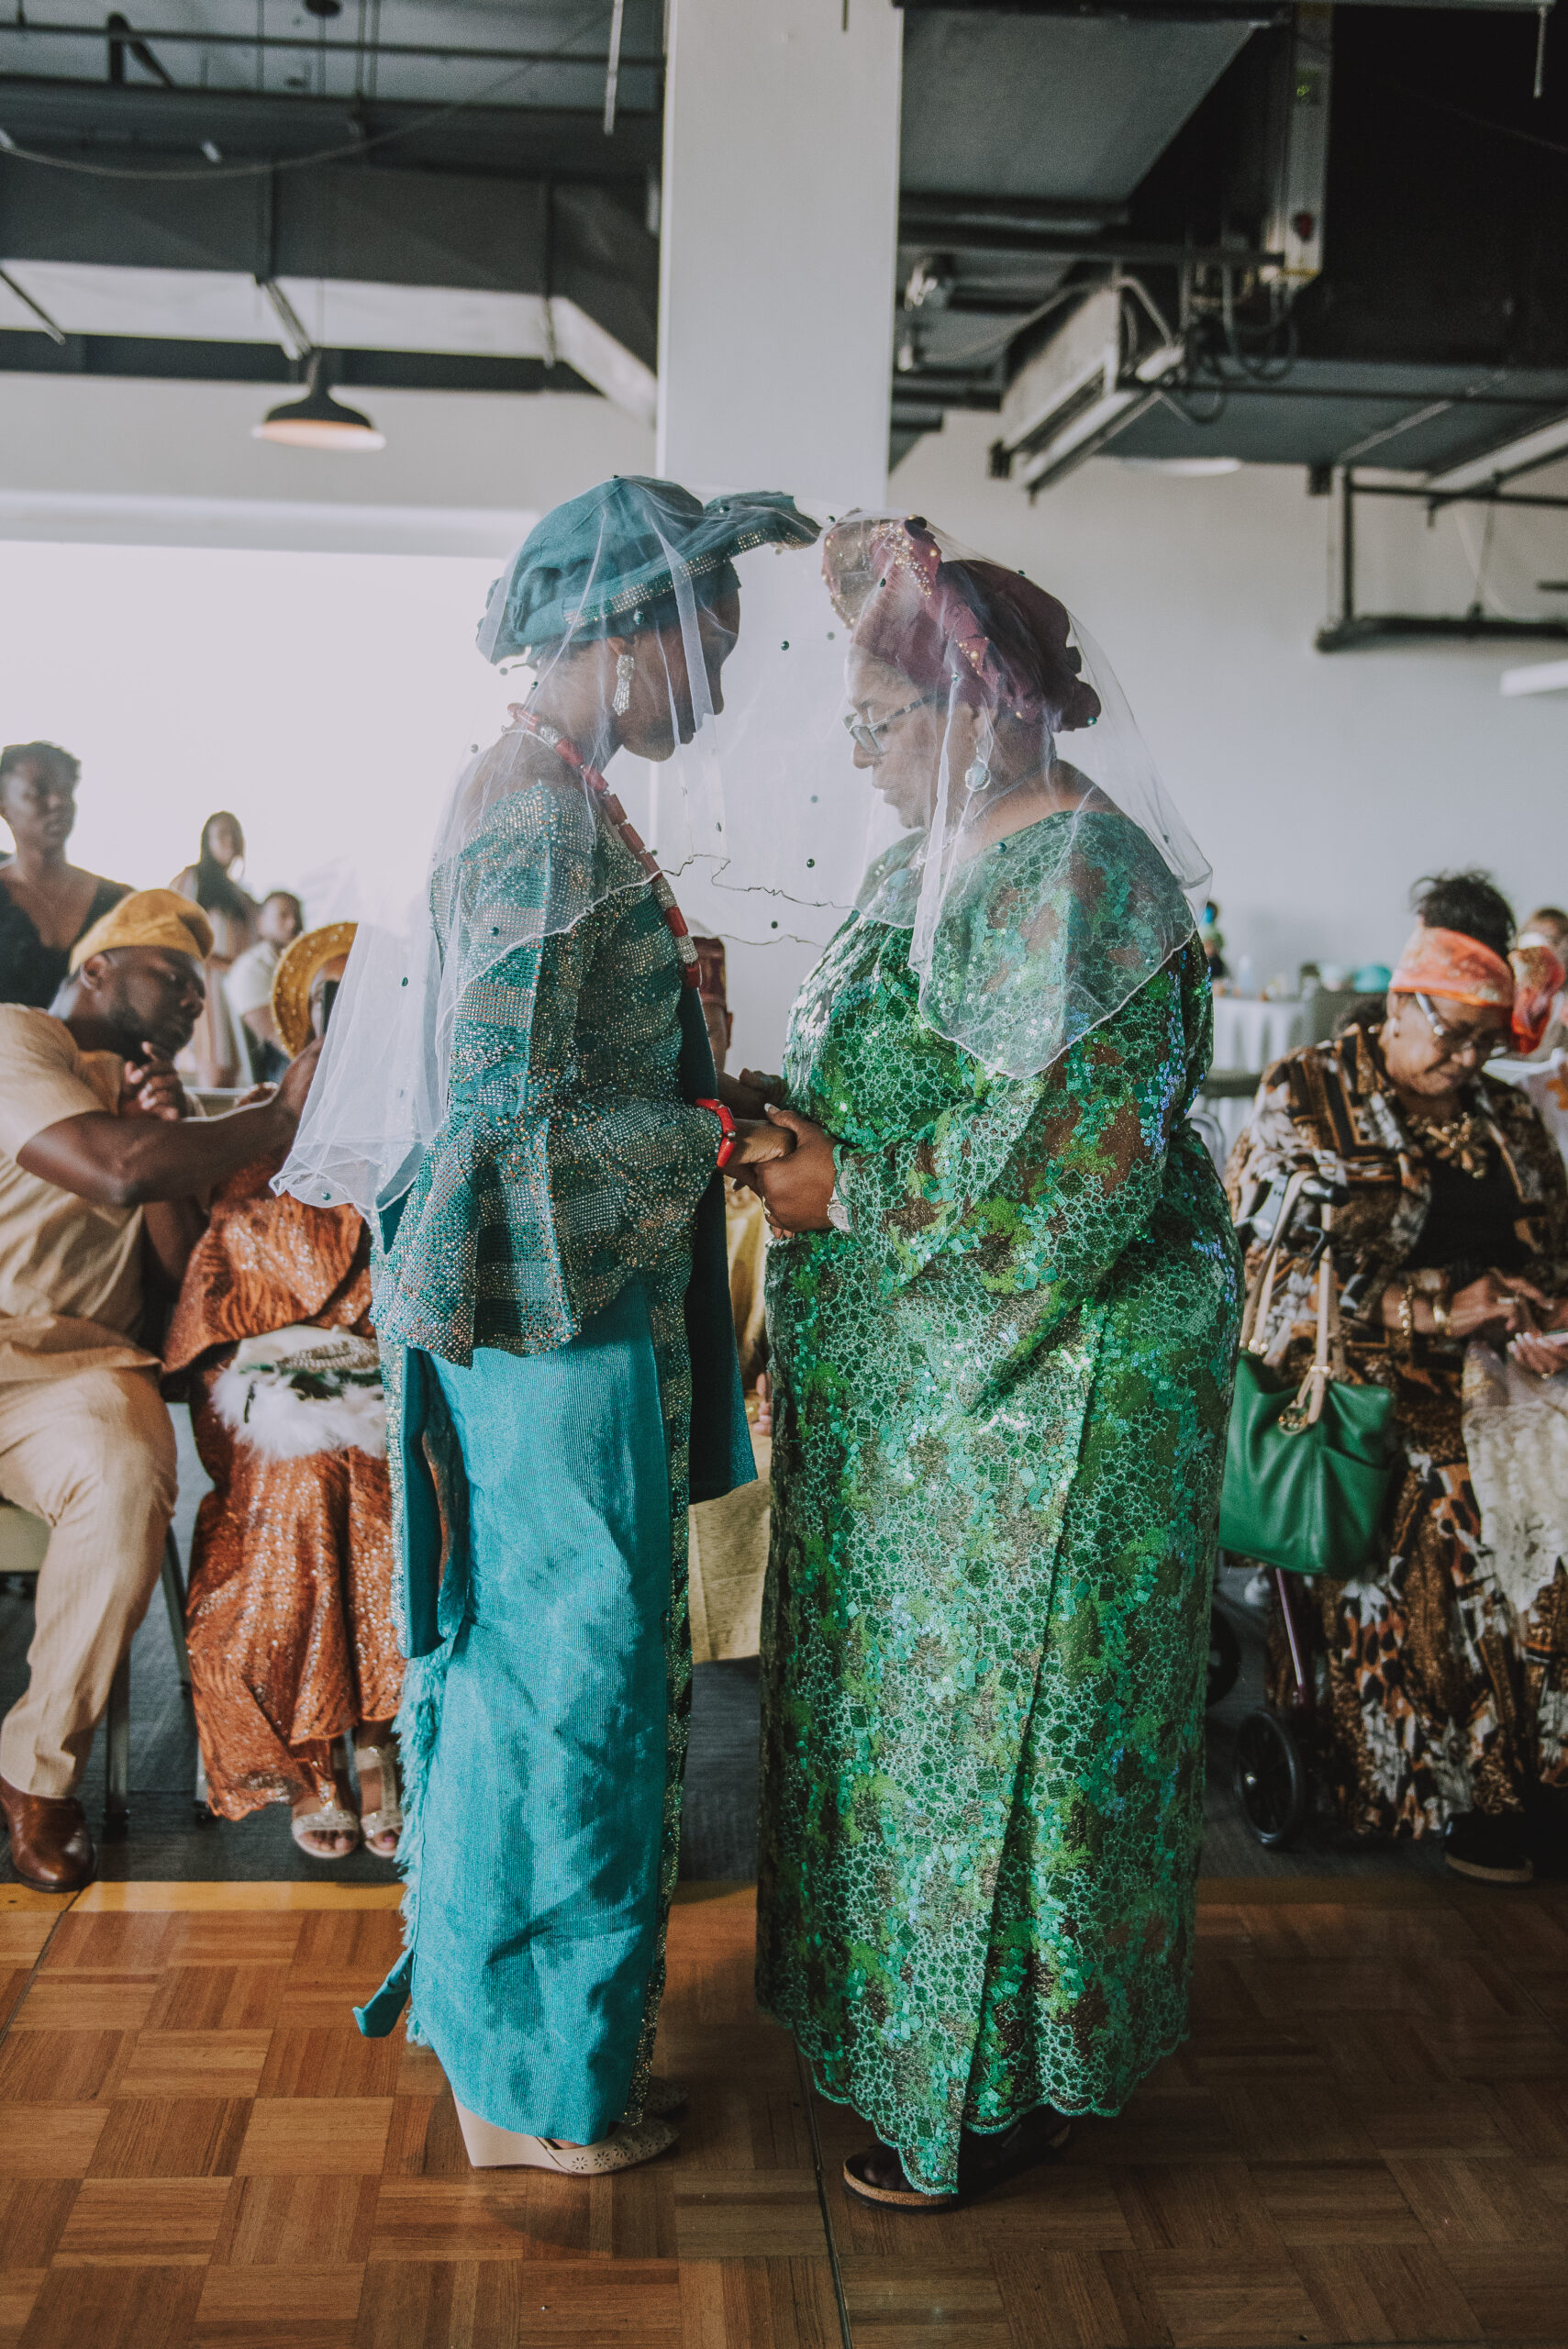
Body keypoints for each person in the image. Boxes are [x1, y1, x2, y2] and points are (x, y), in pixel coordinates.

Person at [278, 477, 818, 2174]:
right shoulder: (534, 816)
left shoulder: (543, 791)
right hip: (547, 1325)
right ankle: (544, 2090)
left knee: (538, 1677)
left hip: (556, 1307)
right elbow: (506, 1121)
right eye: (701, 648)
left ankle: (516, 2043)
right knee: (568, 1685)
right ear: (613, 629)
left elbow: (544, 1079)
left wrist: (695, 1081)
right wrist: (711, 1136)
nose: (711, 692)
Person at [746, 514, 1241, 2210]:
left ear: (981, 708)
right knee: (903, 1731)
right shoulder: (918, 863)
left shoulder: (1085, 879)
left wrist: (847, 1184)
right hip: (921, 1391)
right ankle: (894, 2036)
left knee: (1007, 1737)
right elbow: (873, 1065)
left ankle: (990, 2086)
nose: (865, 759)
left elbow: (1076, 1171)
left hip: (1045, 1391)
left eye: (881, 727)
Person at [1226, 871, 1568, 1885]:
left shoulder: (1503, 1120)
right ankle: (1466, 1788)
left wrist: (1541, 1314)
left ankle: (1546, 1762)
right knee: (1456, 1489)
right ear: (1400, 1002)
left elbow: (1549, 1246)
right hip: (1353, 1370)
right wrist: (1430, 1309)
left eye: (1485, 1041)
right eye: (1451, 1036)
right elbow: (1261, 1282)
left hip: (1499, 1365)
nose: (1468, 1062)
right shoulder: (1306, 1094)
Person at [0, 889, 319, 1889]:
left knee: (131, 1472)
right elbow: (112, 1170)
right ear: (96, 968)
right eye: (172, 977)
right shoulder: (16, 1040)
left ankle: (36, 1779)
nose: (191, 1001)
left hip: (73, 1372)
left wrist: (184, 1148)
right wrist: (274, 1110)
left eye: (201, 987)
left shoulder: (156, 1107)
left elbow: (181, 1281)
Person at [165, 922, 401, 1860]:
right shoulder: (259, 1129)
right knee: (302, 1482)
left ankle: (381, 1731)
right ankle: (311, 1751)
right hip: (268, 1384)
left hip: (395, 1373)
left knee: (385, 1475)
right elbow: (215, 1290)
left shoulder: (420, 1123)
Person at [686, 938, 772, 1664]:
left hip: (749, 1406)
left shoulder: (765, 1143)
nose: (691, 1038)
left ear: (730, 1027)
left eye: (704, 1021)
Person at [0, 741, 129, 1008]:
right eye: (38, 791)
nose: (58, 801)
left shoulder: (119, 903)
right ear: (4, 808)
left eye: (65, 790)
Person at [172, 811, 259, 1087]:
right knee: (214, 1074)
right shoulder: (191, 880)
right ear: (206, 841)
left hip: (237, 996)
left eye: (235, 834)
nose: (230, 841)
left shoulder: (244, 899)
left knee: (237, 1082)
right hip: (204, 990)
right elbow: (173, 932)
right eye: (222, 834)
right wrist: (225, 964)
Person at [224, 889, 304, 1083]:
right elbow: (282, 1040)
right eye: (283, 916)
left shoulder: (304, 963)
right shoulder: (250, 968)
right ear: (261, 923)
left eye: (297, 916)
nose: (292, 923)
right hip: (281, 1068)